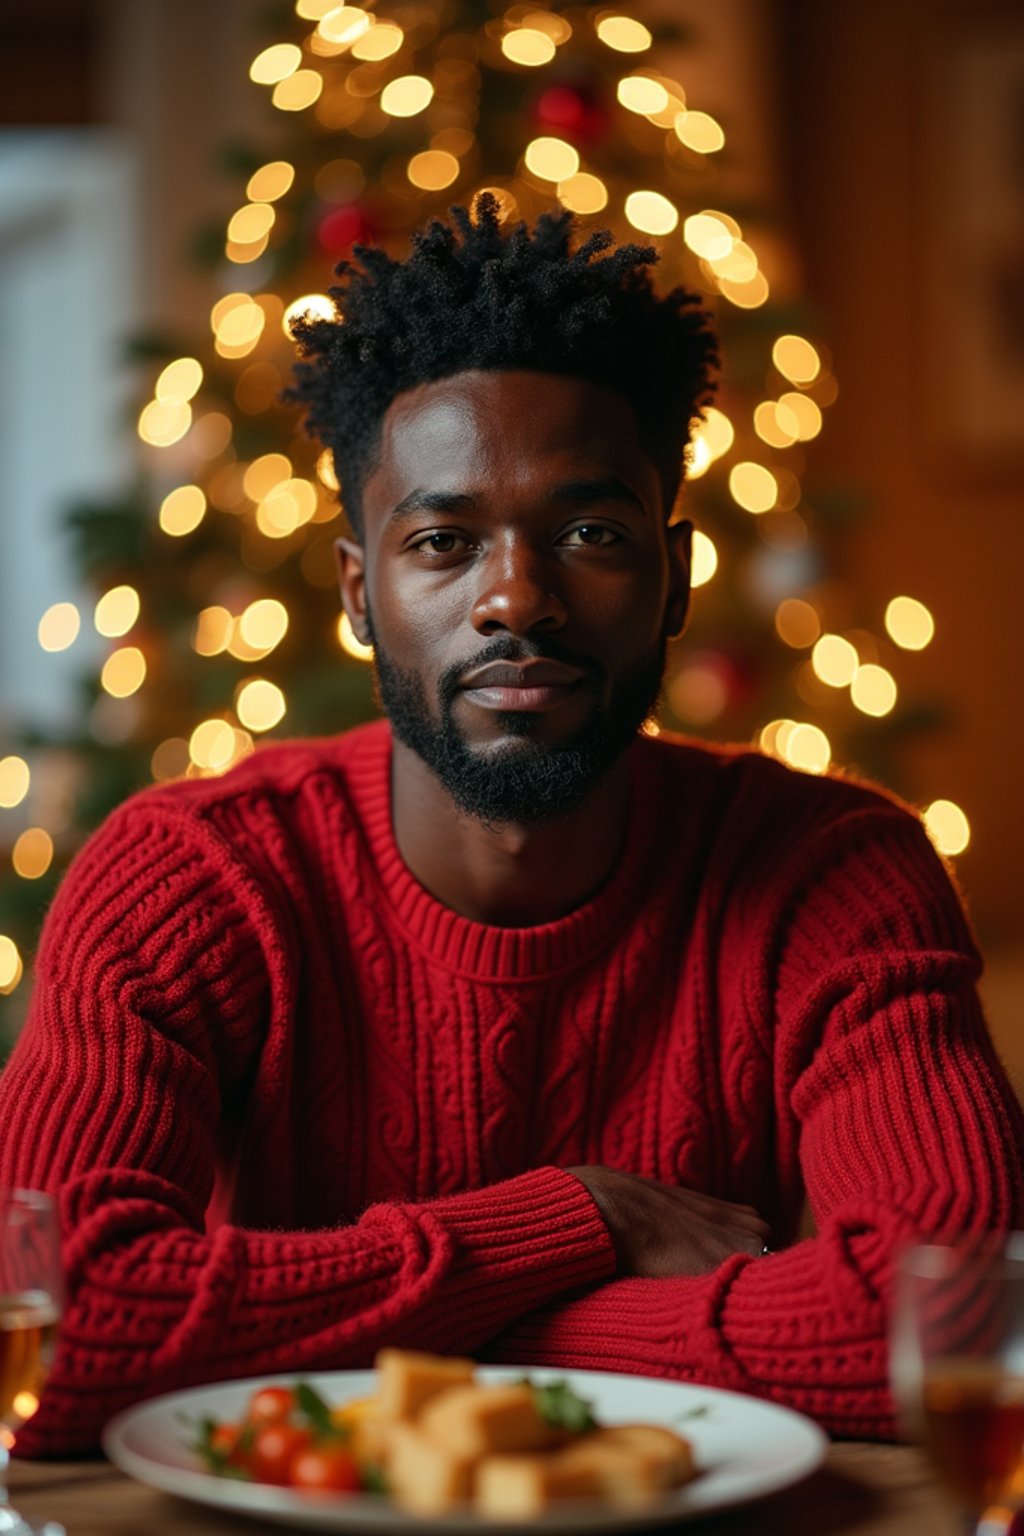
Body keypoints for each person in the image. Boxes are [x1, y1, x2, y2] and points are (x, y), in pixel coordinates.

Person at [2, 198, 1021, 1458]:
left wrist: (480, 1338)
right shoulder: (186, 881)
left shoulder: (833, 873)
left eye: (588, 534)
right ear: (359, 592)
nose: (515, 599)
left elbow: (960, 1316)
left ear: (676, 576)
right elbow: (53, 1325)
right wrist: (568, 1222)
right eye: (443, 541)